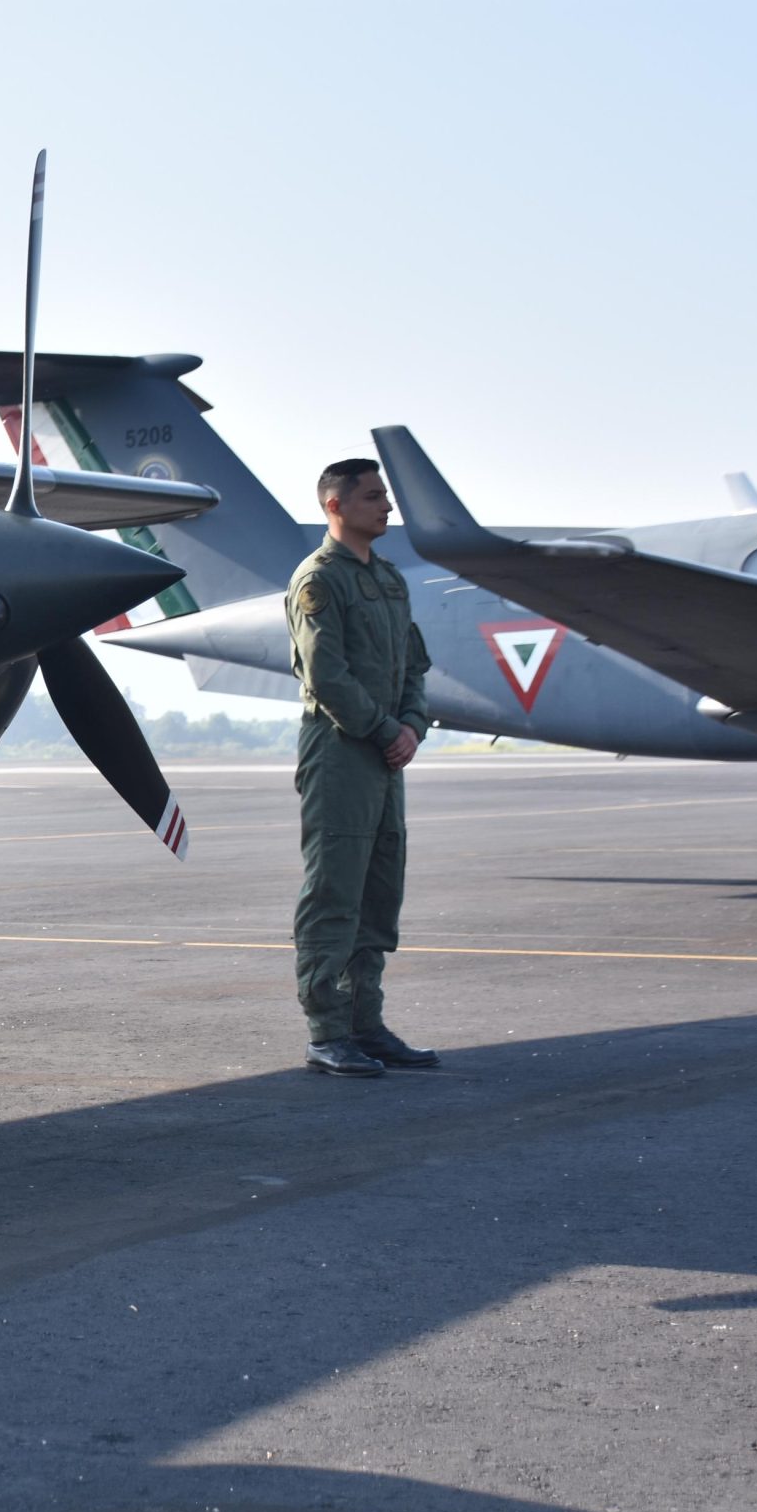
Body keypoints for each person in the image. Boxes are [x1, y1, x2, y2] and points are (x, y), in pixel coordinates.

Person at [286, 458, 439, 1078]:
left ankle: (365, 1024)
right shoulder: (319, 580)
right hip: (341, 751)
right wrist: (385, 730)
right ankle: (327, 1031)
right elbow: (326, 675)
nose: (387, 506)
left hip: (384, 753)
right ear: (335, 506)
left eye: (385, 496)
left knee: (378, 891)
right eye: (374, 496)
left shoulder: (390, 580)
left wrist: (413, 726)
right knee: (335, 891)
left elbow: (414, 666)